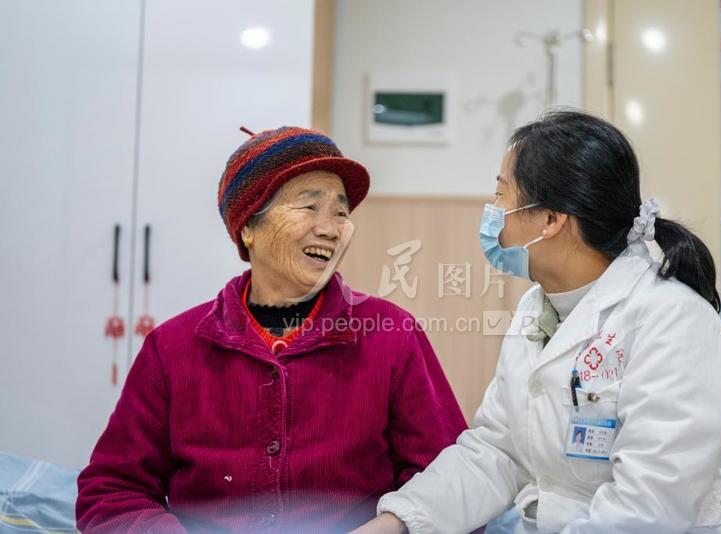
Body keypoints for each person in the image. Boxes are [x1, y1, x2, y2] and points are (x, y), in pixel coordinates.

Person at [355, 111, 721, 533]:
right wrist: (398, 521)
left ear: (551, 220)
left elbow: (647, 511)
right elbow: (495, 452)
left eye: (501, 194)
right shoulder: (536, 309)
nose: (492, 212)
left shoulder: (673, 322)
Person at [76, 127, 467, 533]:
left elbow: (453, 488)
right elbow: (111, 492)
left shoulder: (392, 336)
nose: (331, 229)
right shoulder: (172, 347)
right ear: (248, 227)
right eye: (309, 207)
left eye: (341, 213)